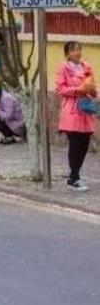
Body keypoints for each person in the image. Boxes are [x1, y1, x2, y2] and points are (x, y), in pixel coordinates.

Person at [55, 40, 97, 192]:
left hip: (86, 108)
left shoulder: (86, 66)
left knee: (84, 143)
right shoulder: (63, 68)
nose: (77, 53)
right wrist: (78, 89)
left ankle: (75, 174)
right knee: (75, 144)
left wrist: (92, 90)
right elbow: (61, 89)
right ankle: (74, 176)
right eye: (73, 50)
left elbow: (93, 86)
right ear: (67, 54)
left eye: (78, 49)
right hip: (72, 110)